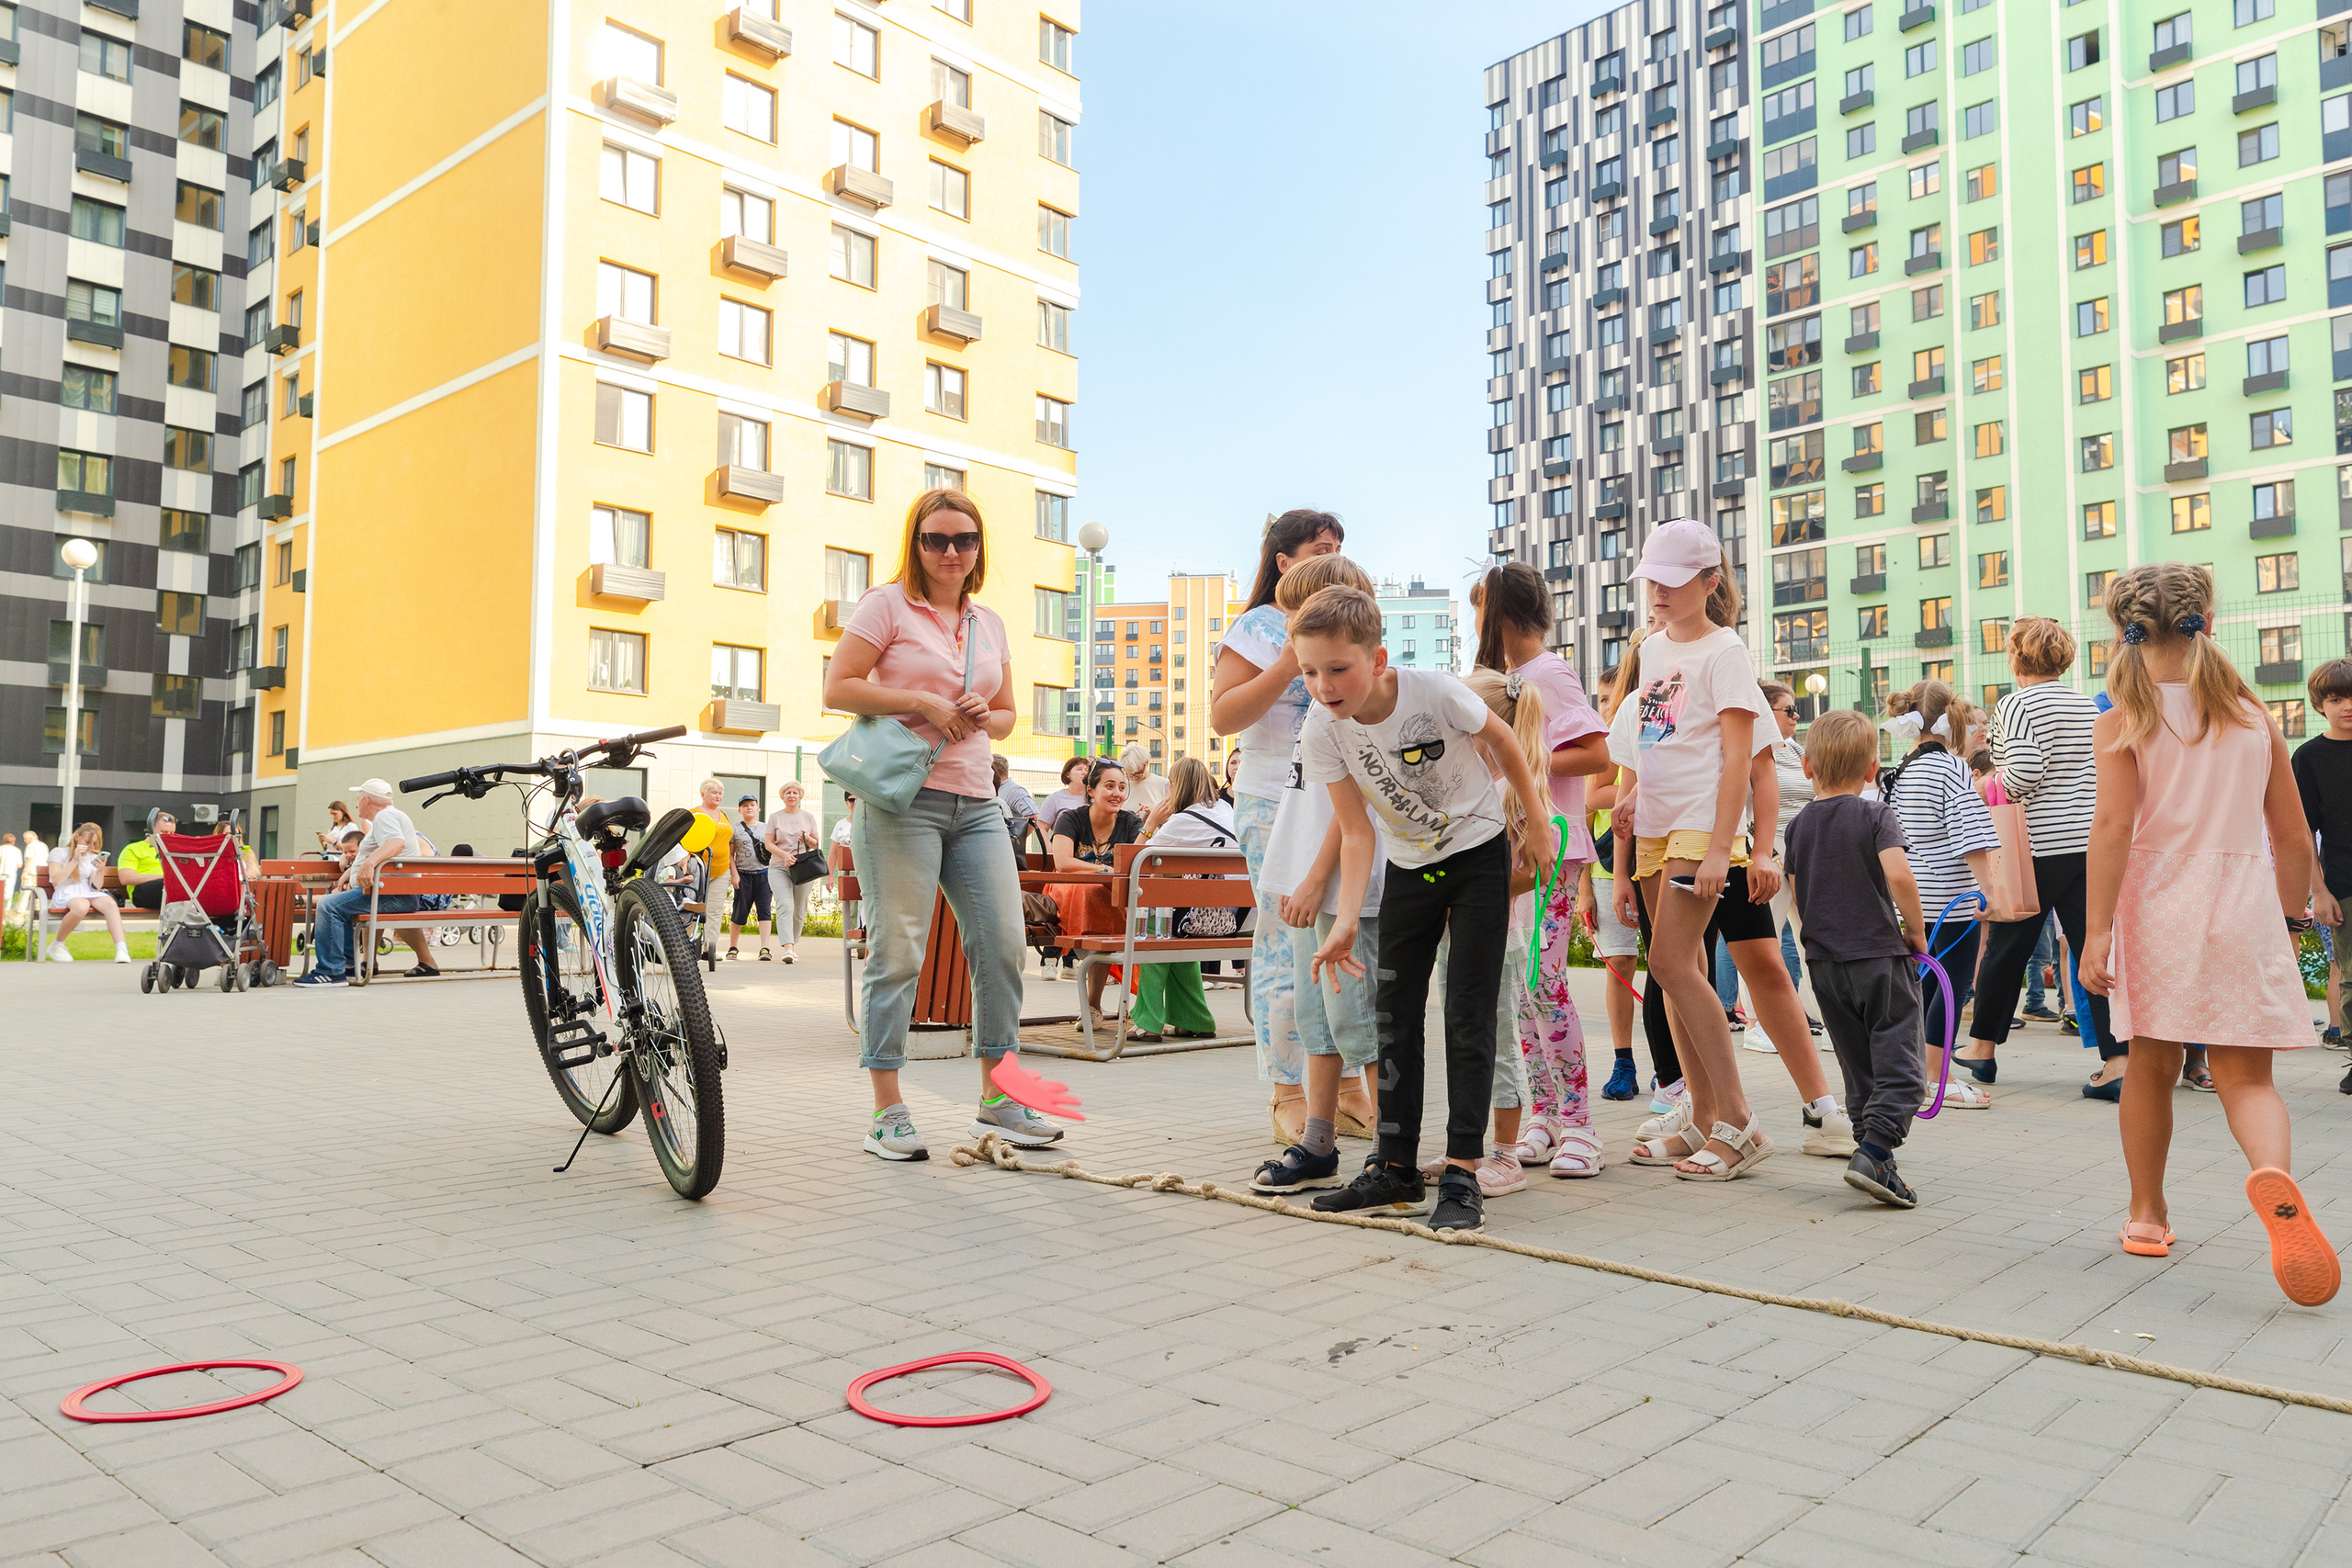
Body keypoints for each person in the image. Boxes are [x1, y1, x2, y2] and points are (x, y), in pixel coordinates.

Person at [2082, 562, 2338, 1305]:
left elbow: (2114, 827)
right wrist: (2289, 923)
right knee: (2248, 1078)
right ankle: (2273, 1176)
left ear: (2122, 628)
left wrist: (2097, 930)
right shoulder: (2254, 718)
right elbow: (2292, 838)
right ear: (2207, 621)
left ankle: (2147, 1215)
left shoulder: (2120, 719)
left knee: (2151, 1066)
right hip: (2243, 902)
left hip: (2156, 905)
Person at [1295, 583, 1556, 1234]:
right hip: (1410, 864)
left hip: (1477, 854)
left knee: (1467, 1011)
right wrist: (1349, 916)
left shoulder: (1433, 691)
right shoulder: (1322, 728)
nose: (1324, 685)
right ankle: (1395, 1167)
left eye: (1337, 669)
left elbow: (1506, 742)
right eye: (1308, 671)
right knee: (1394, 1014)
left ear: (1377, 659)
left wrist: (1541, 821)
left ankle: (1464, 1171)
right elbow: (1356, 831)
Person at [824, 488, 1061, 1158]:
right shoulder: (887, 604)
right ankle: (887, 1110)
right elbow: (838, 686)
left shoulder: (989, 622)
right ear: (916, 544)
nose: (951, 551)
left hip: (978, 802)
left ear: (979, 547)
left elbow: (1012, 711)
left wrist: (990, 713)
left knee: (1003, 944)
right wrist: (919, 698)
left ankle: (999, 1099)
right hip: (902, 801)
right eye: (937, 539)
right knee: (898, 951)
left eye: (964, 539)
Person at [1606, 519, 1774, 1181]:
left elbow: (1739, 758)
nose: (1658, 592)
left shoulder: (1725, 650)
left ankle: (1738, 1120)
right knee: (1672, 971)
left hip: (1698, 826)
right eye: (1652, 579)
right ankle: (1705, 1115)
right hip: (1653, 822)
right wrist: (1634, 790)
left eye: (1673, 582)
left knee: (1676, 965)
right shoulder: (1650, 649)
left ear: (1710, 582)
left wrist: (1718, 848)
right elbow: (1655, 734)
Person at [1248, 555, 1390, 1190]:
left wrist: (1315, 879)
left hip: (1337, 888)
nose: (1287, 625)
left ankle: (1392, 1146)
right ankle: (1320, 1139)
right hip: (1305, 880)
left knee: (1358, 1018)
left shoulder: (1352, 708)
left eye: (1298, 613)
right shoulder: (1320, 702)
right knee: (1317, 1017)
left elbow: (1352, 814)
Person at [1468, 562, 1613, 1179]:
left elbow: (1596, 753)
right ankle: (1545, 1114)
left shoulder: (1548, 675)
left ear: (1499, 613)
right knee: (1523, 991)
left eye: (1477, 608)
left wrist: (1524, 754)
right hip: (1512, 851)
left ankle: (1580, 1123)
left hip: (1551, 846)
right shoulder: (1504, 679)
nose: (1472, 621)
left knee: (1544, 983)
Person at [1211, 508, 1347, 1140]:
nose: (1333, 557)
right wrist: (1289, 662)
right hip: (1271, 797)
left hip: (1337, 798)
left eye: (1340, 548)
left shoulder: (1343, 624)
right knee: (1282, 941)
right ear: (1285, 561)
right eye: (1320, 548)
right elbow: (1223, 715)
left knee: (1342, 939)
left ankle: (1344, 1086)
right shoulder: (1258, 627)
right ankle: (1286, 1090)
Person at [1964, 616, 2127, 1094]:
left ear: (2017, 658)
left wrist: (1988, 784)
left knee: (2007, 948)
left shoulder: (2016, 704)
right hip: (2089, 844)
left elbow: (2024, 770)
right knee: (2093, 948)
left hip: (2037, 845)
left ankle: (1982, 1050)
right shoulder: (2085, 705)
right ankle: (2117, 1061)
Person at [1785, 710, 1931, 1207]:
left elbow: (1795, 893)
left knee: (1856, 1063)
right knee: (1903, 1064)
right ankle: (1873, 1149)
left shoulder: (1798, 826)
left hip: (1825, 964)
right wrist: (1916, 931)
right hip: (1878, 957)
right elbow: (1901, 876)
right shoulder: (1875, 815)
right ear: (1872, 770)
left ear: (1807, 766)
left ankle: (1876, 1157)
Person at [1880, 681, 2006, 1108]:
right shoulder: (1951, 768)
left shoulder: (1904, 768)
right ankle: (1936, 1078)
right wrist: (1989, 891)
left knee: (1927, 987)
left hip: (1915, 896)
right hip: (1952, 894)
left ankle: (1923, 1072)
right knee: (1949, 987)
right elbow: (1970, 834)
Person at [1127, 757, 1234, 1043]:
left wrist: (1151, 823)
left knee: (1155, 931)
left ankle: (1147, 1021)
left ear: (1179, 787)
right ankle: (1194, 1018)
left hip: (1207, 921)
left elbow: (1132, 865)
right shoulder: (1226, 810)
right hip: (1240, 919)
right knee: (1172, 924)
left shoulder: (1181, 822)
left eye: (1170, 785)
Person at [1578, 660, 1643, 1100]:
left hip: (1656, 859)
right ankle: (1623, 1061)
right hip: (1607, 865)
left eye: (1610, 698)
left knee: (1666, 969)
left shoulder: (1651, 725)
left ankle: (1671, 1065)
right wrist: (1584, 886)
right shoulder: (1605, 743)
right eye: (1601, 699)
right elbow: (1588, 803)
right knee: (1620, 963)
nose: (1606, 707)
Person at [289, 780, 422, 985]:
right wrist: (352, 871)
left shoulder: (385, 816)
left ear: (366, 799)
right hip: (391, 892)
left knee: (328, 905)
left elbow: (396, 843)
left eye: (358, 798)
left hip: (391, 894)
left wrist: (369, 864)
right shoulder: (391, 816)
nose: (357, 803)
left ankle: (331, 972)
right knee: (338, 904)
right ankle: (348, 967)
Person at [1047, 759, 1142, 1021]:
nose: (1117, 793)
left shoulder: (1130, 822)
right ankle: (1093, 1005)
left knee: (1104, 900)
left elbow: (1139, 863)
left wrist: (1151, 823)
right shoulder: (1071, 818)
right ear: (1091, 790)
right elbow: (1063, 864)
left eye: (1122, 787)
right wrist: (1104, 870)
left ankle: (1096, 1006)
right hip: (1068, 892)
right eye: (1109, 786)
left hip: (1110, 898)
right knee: (1091, 894)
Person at [2299, 660, 2352, 1090]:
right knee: (2351, 975)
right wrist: (2319, 892)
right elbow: (2301, 832)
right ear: (2320, 705)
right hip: (2345, 884)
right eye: (2336, 699)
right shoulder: (2310, 757)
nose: (2346, 706)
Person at [1035, 757, 1091, 981]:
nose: (1084, 772)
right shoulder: (1056, 799)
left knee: (1080, 905)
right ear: (1068, 774)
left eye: (1087, 769)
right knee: (1061, 908)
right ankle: (1049, 961)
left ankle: (1072, 962)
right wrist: (1052, 852)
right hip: (1064, 867)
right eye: (1079, 769)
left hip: (1085, 868)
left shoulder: (1093, 800)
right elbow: (1041, 826)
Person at [45, 823, 130, 963]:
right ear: (77, 837)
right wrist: (75, 859)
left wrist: (101, 870)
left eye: (94, 843)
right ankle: (57, 944)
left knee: (110, 904)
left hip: (87, 890)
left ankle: (121, 949)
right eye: (87, 842)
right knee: (81, 906)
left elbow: (95, 887)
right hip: (66, 890)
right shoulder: (59, 852)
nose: (90, 846)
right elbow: (55, 879)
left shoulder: (92, 856)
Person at [764, 781, 821, 964]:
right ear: (783, 796)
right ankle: (787, 948)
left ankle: (793, 945)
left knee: (798, 910)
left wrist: (807, 838)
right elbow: (768, 843)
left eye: (795, 793)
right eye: (788, 792)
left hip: (803, 868)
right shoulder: (775, 817)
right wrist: (784, 855)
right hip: (779, 867)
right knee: (785, 905)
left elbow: (816, 844)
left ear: (800, 796)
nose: (791, 795)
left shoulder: (809, 817)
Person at [723, 795, 775, 960]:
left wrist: (773, 876)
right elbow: (730, 855)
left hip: (764, 875)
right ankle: (733, 947)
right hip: (743, 876)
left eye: (752, 805)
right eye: (745, 806)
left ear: (758, 808)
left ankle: (765, 948)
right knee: (739, 911)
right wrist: (734, 875)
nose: (749, 808)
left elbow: (773, 852)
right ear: (740, 810)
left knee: (765, 911)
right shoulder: (735, 829)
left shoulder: (767, 828)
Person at [690, 779, 736, 964]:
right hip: (698, 869)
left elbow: (729, 845)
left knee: (715, 911)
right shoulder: (694, 814)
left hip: (721, 868)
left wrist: (734, 873)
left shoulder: (723, 815)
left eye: (720, 793)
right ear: (703, 794)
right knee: (693, 908)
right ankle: (688, 946)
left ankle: (710, 947)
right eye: (714, 793)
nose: (718, 796)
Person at [116, 810, 174, 912]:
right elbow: (125, 878)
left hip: (169, 889)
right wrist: (163, 878)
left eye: (172, 833)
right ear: (152, 830)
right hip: (143, 891)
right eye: (164, 832)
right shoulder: (133, 849)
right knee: (170, 884)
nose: (168, 836)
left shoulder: (174, 851)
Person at [994, 755, 1039, 851]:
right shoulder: (1002, 789)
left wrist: (1016, 841)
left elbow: (1033, 816)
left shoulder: (1014, 791)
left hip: (1006, 850)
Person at [1120, 742, 1170, 814]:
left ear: (1146, 763)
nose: (1134, 778)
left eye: (1138, 773)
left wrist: (1153, 814)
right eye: (1130, 775)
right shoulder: (1121, 783)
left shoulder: (1163, 784)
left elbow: (1169, 818)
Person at [0, 832, 20, 925]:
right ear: (13, 841)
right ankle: (7, 909)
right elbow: (19, 864)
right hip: (11, 872)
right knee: (9, 891)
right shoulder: (16, 851)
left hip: (1, 871)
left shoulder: (1, 849)